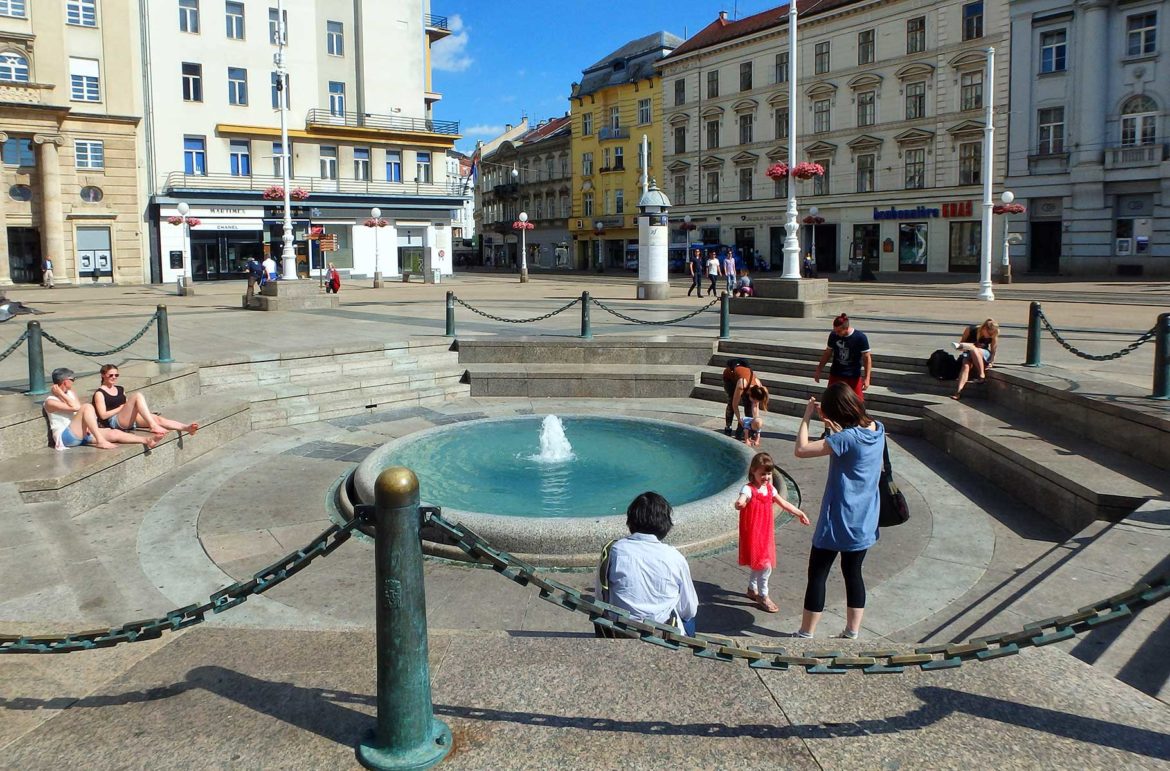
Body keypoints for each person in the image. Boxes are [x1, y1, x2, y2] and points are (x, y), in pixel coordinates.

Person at [793, 383, 885, 639]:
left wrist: (807, 416)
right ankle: (852, 632)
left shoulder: (845, 438)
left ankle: (805, 633)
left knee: (818, 574)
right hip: (865, 517)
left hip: (838, 520)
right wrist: (838, 430)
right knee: (853, 573)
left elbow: (800, 450)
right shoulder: (878, 429)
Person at [595, 492, 698, 635]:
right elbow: (689, 609)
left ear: (630, 521)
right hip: (663, 633)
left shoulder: (613, 550)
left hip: (620, 630)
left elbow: (600, 596)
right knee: (689, 619)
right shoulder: (675, 557)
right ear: (665, 524)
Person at [734, 452, 811, 613]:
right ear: (753, 471)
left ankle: (752, 588)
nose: (766, 477)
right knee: (766, 565)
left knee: (760, 563)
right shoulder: (748, 489)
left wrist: (799, 513)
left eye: (769, 473)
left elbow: (783, 503)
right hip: (754, 533)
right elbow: (742, 499)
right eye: (762, 473)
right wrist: (740, 503)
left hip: (765, 532)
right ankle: (763, 595)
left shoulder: (769, 488)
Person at [43, 368, 159, 451]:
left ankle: (146, 440)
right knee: (87, 407)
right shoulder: (50, 401)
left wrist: (87, 426)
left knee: (113, 433)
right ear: (65, 381)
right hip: (66, 437)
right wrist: (60, 394)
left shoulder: (71, 393)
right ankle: (100, 441)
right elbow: (77, 408)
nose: (74, 381)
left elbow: (77, 411)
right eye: (73, 379)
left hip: (81, 432)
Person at [92, 364, 198, 437]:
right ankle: (153, 426)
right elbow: (103, 415)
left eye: (116, 375)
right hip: (114, 421)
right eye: (111, 375)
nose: (114, 377)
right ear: (103, 375)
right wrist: (120, 408)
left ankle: (186, 428)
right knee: (137, 395)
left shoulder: (120, 389)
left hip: (126, 417)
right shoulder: (100, 393)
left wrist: (141, 412)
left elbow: (129, 405)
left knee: (158, 419)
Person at [813, 313, 872, 401]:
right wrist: (819, 369)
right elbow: (827, 353)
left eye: (839, 331)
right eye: (835, 330)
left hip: (853, 376)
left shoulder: (860, 337)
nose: (836, 333)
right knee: (831, 402)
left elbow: (867, 358)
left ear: (846, 328)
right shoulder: (833, 335)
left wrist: (867, 378)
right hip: (836, 374)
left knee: (857, 403)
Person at [951, 318, 999, 400]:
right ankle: (958, 392)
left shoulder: (994, 333)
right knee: (966, 365)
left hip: (984, 354)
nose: (990, 336)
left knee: (975, 350)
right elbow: (960, 346)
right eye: (989, 333)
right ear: (983, 328)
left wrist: (991, 361)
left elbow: (993, 350)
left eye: (992, 334)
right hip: (969, 352)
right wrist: (970, 346)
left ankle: (981, 375)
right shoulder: (971, 329)